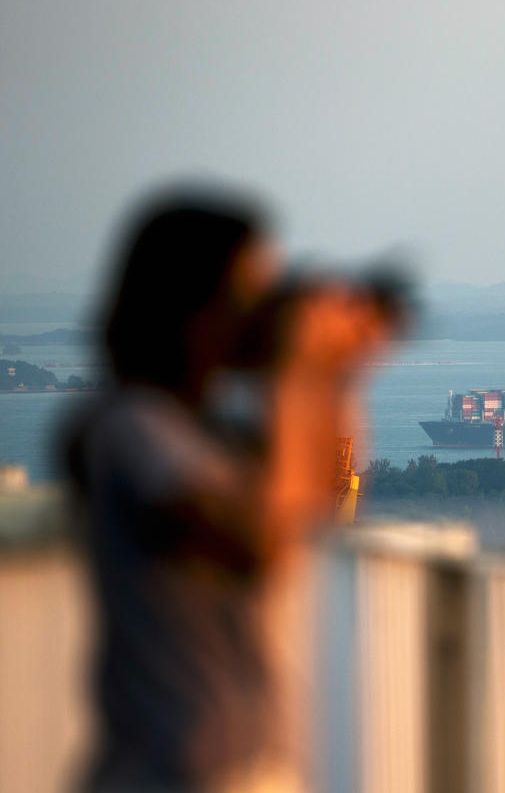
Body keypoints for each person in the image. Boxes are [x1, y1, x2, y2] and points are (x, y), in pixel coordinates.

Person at [64, 188, 401, 790]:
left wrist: (337, 376)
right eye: (248, 298)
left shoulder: (215, 437)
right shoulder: (127, 428)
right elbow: (258, 544)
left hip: (249, 767)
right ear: (189, 306)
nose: (257, 318)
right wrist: (294, 374)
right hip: (171, 775)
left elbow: (325, 501)